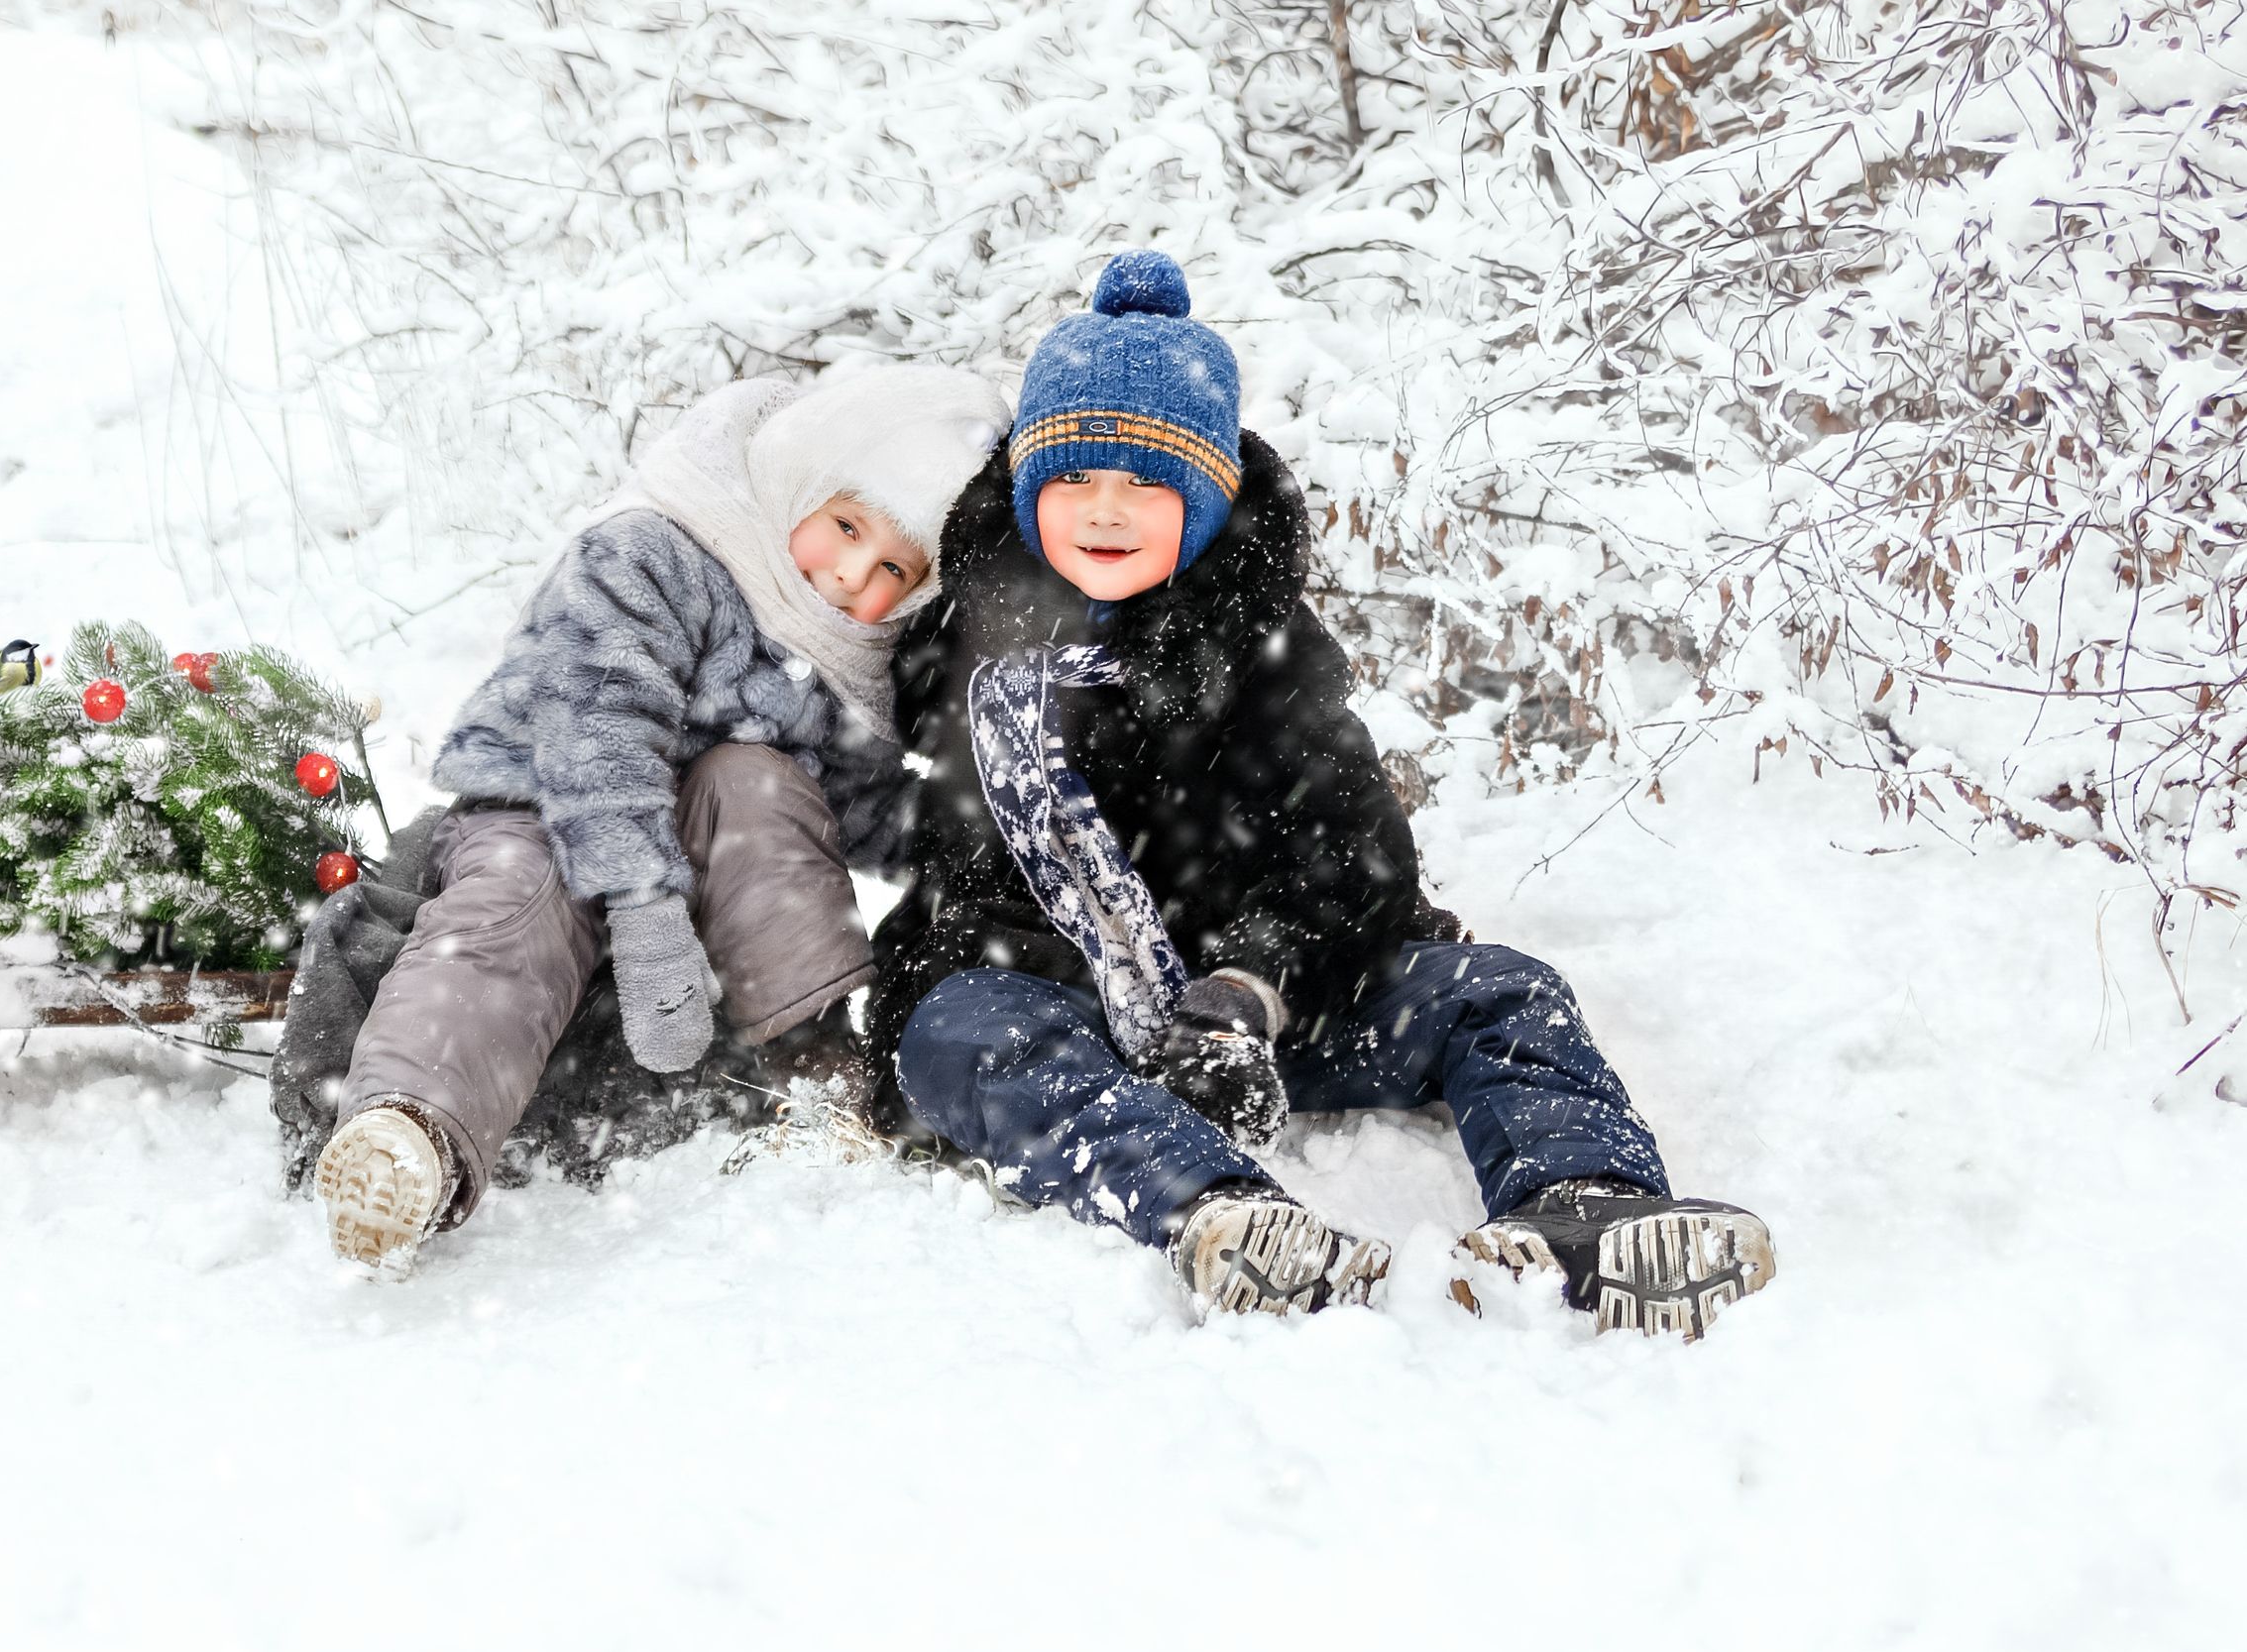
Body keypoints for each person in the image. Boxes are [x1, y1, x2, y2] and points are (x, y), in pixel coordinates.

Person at [874, 252, 1776, 1337]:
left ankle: (1583, 1200)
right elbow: (956, 881)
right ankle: (1216, 1213)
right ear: (1025, 490)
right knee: (957, 1028)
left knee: (1495, 989)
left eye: (1143, 484)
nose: (1102, 511)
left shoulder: (1264, 657)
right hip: (1068, 1015)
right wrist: (1039, 981)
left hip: (1262, 1017)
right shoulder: (960, 660)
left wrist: (1245, 989)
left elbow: (1352, 857)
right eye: (1069, 479)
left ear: (1204, 507)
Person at [311, 363, 1005, 1275]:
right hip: (545, 802)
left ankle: (820, 1075)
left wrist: (982, 842)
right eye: (845, 528)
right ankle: (410, 1132)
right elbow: (596, 727)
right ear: (806, 481)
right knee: (511, 910)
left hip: (708, 843)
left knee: (759, 788)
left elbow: (857, 806)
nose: (849, 576)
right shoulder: (657, 548)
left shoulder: (846, 655)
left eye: (891, 571)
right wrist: (642, 910)